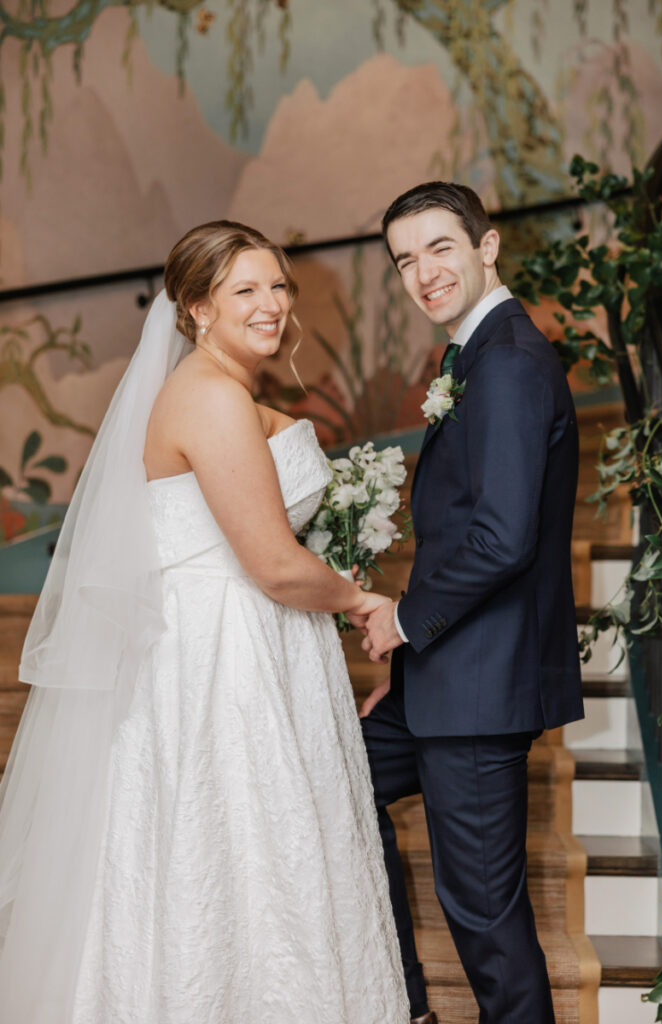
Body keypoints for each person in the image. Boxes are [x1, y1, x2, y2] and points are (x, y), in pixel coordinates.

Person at [0, 221, 410, 1024]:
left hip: (253, 640)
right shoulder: (213, 398)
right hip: (225, 659)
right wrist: (363, 602)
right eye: (244, 291)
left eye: (278, 286)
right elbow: (274, 564)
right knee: (239, 850)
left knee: (263, 852)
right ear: (195, 309)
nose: (271, 306)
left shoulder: (225, 392)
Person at [358, 182, 585, 1024]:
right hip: (440, 682)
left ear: (485, 247)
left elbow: (499, 539)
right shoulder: (470, 357)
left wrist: (404, 622)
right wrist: (412, 670)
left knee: (485, 920)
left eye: (440, 248)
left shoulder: (510, 363)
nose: (423, 273)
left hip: (481, 693)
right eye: (405, 259)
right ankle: (404, 1001)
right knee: (333, 781)